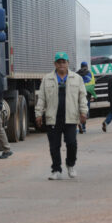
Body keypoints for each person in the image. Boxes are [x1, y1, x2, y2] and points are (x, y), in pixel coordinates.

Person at [35, 52, 88, 180]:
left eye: (64, 62)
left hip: (70, 117)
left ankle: (70, 165)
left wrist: (83, 112)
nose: (61, 64)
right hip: (53, 117)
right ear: (55, 64)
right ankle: (56, 170)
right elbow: (41, 98)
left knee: (71, 143)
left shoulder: (77, 78)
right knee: (54, 145)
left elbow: (82, 97)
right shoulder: (47, 79)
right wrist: (38, 113)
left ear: (68, 63)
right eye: (59, 62)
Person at [76, 61, 96, 133]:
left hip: (79, 93)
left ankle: (79, 123)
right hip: (87, 94)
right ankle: (83, 126)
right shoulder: (90, 73)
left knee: (79, 109)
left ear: (81, 66)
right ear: (87, 66)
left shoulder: (76, 73)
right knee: (86, 108)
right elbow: (93, 83)